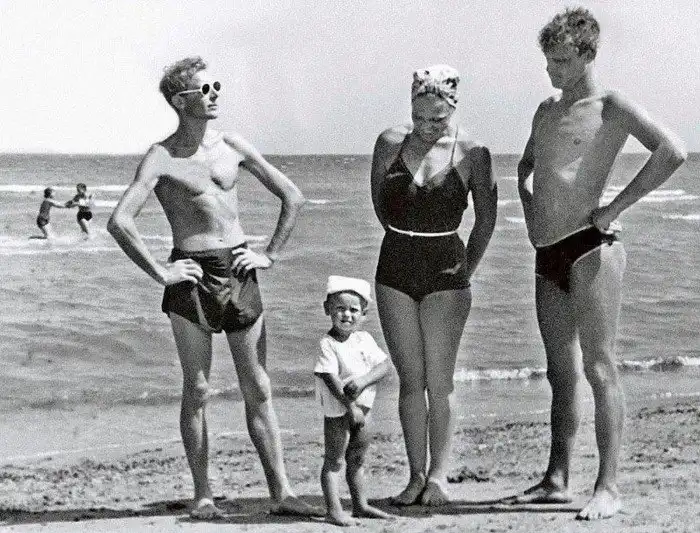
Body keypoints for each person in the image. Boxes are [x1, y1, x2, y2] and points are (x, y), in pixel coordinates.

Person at [107, 56, 321, 520]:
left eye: (216, 86)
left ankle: (282, 493)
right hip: (192, 275)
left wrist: (269, 253)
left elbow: (293, 195)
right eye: (205, 89)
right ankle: (203, 496)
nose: (215, 94)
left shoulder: (233, 145)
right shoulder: (162, 156)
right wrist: (160, 272)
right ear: (180, 101)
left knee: (258, 386)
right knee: (198, 388)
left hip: (239, 269)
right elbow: (120, 221)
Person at [507, 7, 687, 520]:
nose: (551, 70)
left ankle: (608, 487)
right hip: (547, 252)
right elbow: (526, 167)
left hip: (591, 246)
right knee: (559, 373)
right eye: (548, 61)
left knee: (599, 366)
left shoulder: (611, 106)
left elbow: (672, 151)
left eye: (561, 61)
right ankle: (556, 479)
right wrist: (529, 209)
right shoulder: (545, 110)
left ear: (588, 55)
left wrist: (614, 208)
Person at [370, 65, 498, 506]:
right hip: (394, 266)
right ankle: (415, 475)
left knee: (439, 382)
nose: (426, 127)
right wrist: (406, 236)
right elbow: (381, 204)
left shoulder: (474, 153)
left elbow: (486, 221)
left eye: (437, 119)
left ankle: (439, 477)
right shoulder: (389, 143)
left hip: (447, 269)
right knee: (411, 380)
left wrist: (466, 271)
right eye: (419, 117)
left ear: (454, 109)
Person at [314, 276, 393, 526]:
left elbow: (384, 366)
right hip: (338, 410)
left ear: (364, 313)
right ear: (327, 309)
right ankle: (333, 510)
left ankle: (360, 505)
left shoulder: (364, 339)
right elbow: (330, 378)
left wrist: (363, 381)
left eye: (353, 310)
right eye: (340, 308)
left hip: (364, 408)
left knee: (358, 458)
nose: (346, 315)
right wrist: (349, 407)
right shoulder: (328, 344)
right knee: (334, 460)